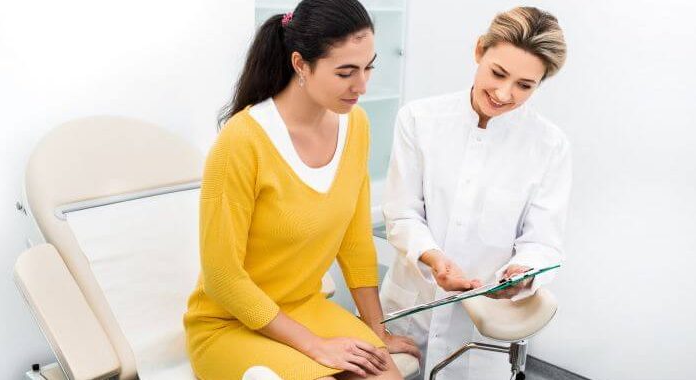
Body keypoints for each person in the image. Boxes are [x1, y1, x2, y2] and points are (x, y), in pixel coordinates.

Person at [184, 1, 420, 379]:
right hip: (228, 325)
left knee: (384, 376)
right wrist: (315, 345)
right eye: (346, 72)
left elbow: (355, 240)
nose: (362, 85)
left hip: (305, 307)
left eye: (368, 67)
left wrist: (377, 330)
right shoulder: (242, 142)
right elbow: (223, 278)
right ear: (300, 64)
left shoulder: (355, 125)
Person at [379, 6, 571, 379]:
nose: (503, 93)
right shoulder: (419, 120)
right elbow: (401, 214)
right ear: (479, 50)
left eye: (524, 85)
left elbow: (543, 242)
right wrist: (435, 259)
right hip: (409, 314)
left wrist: (523, 273)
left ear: (540, 83)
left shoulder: (549, 146)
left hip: (482, 332)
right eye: (498, 73)